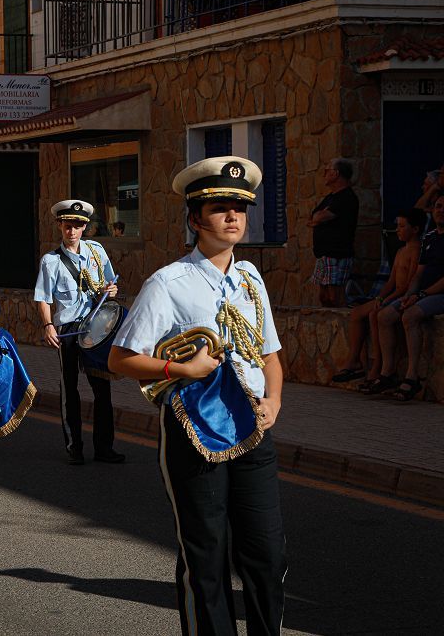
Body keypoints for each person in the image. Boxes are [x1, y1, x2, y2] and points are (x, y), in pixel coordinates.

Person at [109, 156, 286, 635]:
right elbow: (120, 358)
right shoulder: (168, 283)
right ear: (194, 220)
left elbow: (269, 354)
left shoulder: (251, 278)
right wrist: (181, 367)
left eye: (239, 208)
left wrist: (273, 401)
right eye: (219, 208)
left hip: (254, 427)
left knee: (267, 554)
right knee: (205, 554)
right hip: (196, 428)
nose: (232, 216)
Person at [33, 200, 124, 465]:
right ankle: (74, 445)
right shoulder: (51, 261)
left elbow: (111, 284)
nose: (71, 231)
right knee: (69, 387)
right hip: (69, 330)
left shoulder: (96, 251)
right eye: (67, 225)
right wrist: (48, 325)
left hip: (95, 326)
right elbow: (43, 298)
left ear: (85, 227)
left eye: (77, 226)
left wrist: (111, 291)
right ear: (60, 225)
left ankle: (104, 447)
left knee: (102, 386)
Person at [332, 208, 424, 386]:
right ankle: (355, 360)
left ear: (415, 229)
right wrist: (381, 297)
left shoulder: (417, 251)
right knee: (357, 313)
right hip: (393, 294)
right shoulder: (399, 252)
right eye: (397, 226)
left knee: (376, 315)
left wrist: (389, 299)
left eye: (402, 226)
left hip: (403, 295)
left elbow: (409, 283)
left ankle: (378, 366)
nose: (397, 230)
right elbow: (391, 282)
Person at [372, 195, 444, 400]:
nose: (441, 210)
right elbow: (419, 274)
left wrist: (420, 295)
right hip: (421, 293)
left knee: (409, 316)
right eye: (438, 206)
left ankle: (412, 376)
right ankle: (388, 372)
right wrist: (411, 294)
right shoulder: (429, 238)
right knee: (384, 316)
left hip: (438, 294)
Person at [308, 158, 359, 307]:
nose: (324, 174)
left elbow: (320, 217)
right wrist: (319, 217)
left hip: (337, 254)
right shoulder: (330, 198)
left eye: (327, 171)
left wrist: (319, 217)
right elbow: (314, 216)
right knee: (324, 297)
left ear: (336, 174)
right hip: (324, 255)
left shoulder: (346, 197)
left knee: (335, 296)